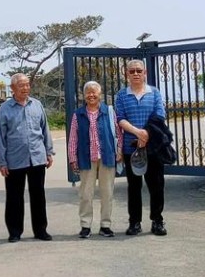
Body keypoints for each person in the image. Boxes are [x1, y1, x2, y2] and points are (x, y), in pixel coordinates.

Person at [0, 73, 55, 242]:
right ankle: (14, 232)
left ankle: (40, 230)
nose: (25, 88)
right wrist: (2, 162)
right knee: (14, 197)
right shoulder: (4, 109)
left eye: (27, 84)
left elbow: (45, 129)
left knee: (38, 195)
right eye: (21, 85)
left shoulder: (37, 105)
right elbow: (0, 137)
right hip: (14, 159)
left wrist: (48, 152)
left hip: (37, 156)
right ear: (13, 88)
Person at [115, 59, 168, 236]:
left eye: (139, 71)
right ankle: (134, 222)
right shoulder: (122, 95)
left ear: (145, 73)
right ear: (126, 74)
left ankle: (157, 221)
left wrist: (146, 133)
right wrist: (137, 132)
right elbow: (120, 118)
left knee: (156, 185)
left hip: (153, 146)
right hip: (132, 148)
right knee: (134, 187)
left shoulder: (154, 93)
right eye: (132, 71)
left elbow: (159, 115)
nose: (136, 74)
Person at [67, 80, 122, 238]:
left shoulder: (108, 112)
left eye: (94, 92)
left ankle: (105, 225)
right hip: (86, 159)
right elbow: (73, 138)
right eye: (88, 92)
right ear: (84, 96)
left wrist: (119, 151)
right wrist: (72, 158)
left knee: (107, 193)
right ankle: (85, 225)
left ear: (100, 95)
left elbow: (118, 133)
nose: (91, 95)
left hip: (107, 157)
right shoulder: (78, 114)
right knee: (86, 194)